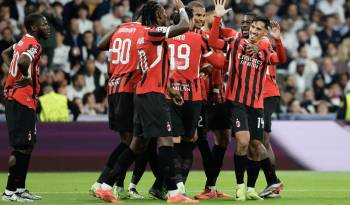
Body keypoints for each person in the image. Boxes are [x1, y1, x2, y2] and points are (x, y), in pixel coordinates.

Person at [95, 1, 198, 204]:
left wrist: (169, 89)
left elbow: (152, 67)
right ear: (154, 16)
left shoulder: (143, 35)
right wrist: (182, 9)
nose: (164, 16)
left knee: (137, 144)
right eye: (161, 13)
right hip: (152, 95)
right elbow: (185, 26)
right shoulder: (152, 33)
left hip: (144, 93)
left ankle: (105, 186)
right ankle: (174, 194)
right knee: (165, 140)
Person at [209, 0, 286, 201]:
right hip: (237, 102)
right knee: (242, 141)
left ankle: (251, 188)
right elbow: (213, 42)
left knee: (254, 145)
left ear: (264, 33)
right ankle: (240, 186)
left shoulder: (265, 49)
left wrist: (278, 40)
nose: (252, 30)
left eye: (257, 28)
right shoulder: (236, 43)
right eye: (252, 27)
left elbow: (280, 59)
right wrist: (217, 17)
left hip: (257, 104)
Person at [89, 20, 145, 199]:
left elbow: (101, 47)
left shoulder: (120, 31)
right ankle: (103, 182)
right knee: (133, 142)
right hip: (129, 89)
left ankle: (117, 186)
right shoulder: (144, 32)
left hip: (113, 88)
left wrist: (118, 28)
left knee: (127, 141)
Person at [1, 13, 50, 202]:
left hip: (22, 100)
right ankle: (9, 192)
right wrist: (26, 77)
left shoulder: (22, 42)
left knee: (27, 146)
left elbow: (6, 54)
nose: (48, 27)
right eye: (44, 25)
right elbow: (23, 62)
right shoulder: (34, 45)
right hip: (20, 100)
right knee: (21, 148)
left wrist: (13, 72)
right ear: (33, 27)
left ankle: (19, 189)